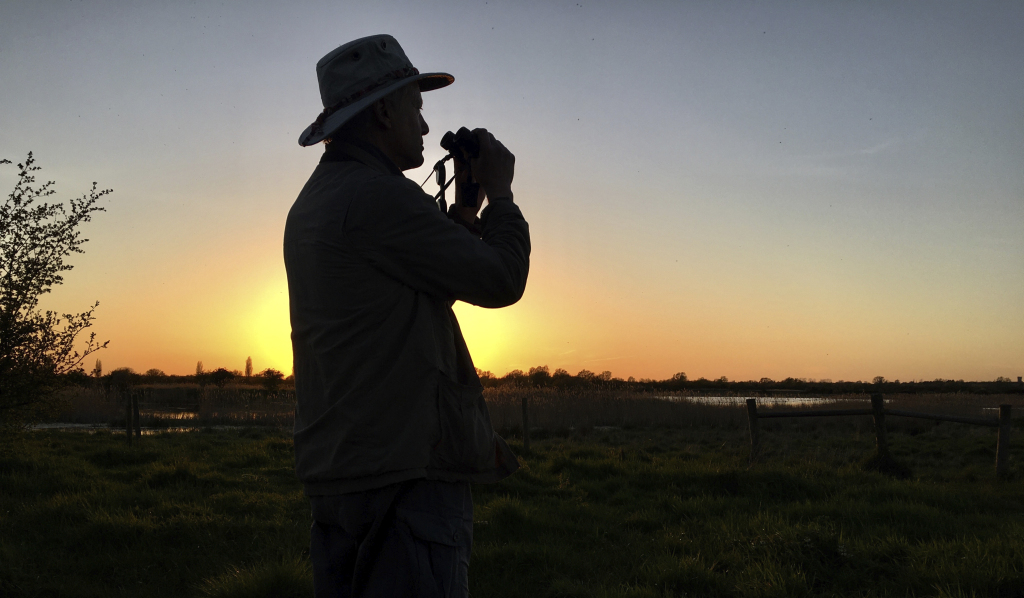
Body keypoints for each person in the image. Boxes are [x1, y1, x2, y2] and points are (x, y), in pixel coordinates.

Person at [284, 34, 530, 597]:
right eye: (417, 109)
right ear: (382, 110)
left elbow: (422, 275)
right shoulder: (377, 197)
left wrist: (466, 209)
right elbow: (499, 279)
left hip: (347, 470)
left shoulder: (323, 197)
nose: (423, 127)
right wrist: (503, 193)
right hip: (403, 479)